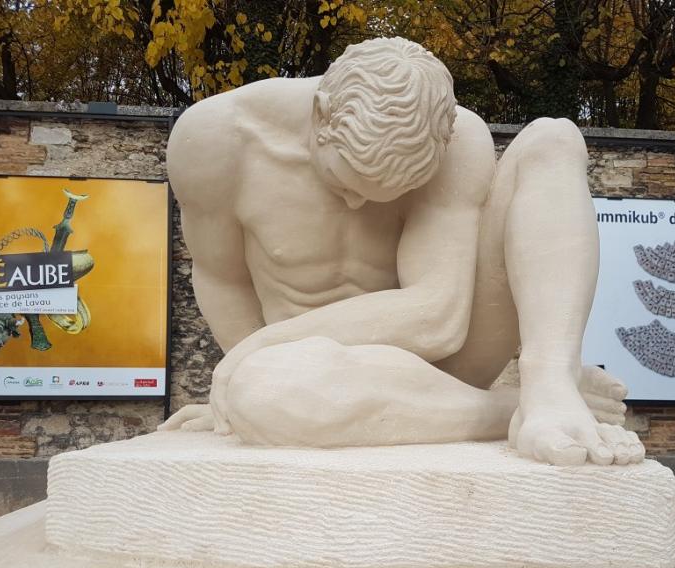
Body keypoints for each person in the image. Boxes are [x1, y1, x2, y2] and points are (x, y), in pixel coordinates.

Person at [160, 37, 643, 466]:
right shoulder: (216, 139)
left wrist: (261, 349)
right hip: (318, 373)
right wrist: (241, 377)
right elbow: (222, 277)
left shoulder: (458, 139)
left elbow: (438, 318)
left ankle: (550, 385)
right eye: (346, 180)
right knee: (264, 391)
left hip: (448, 362)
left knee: (555, 138)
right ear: (322, 115)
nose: (357, 204)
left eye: (388, 194)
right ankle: (514, 407)